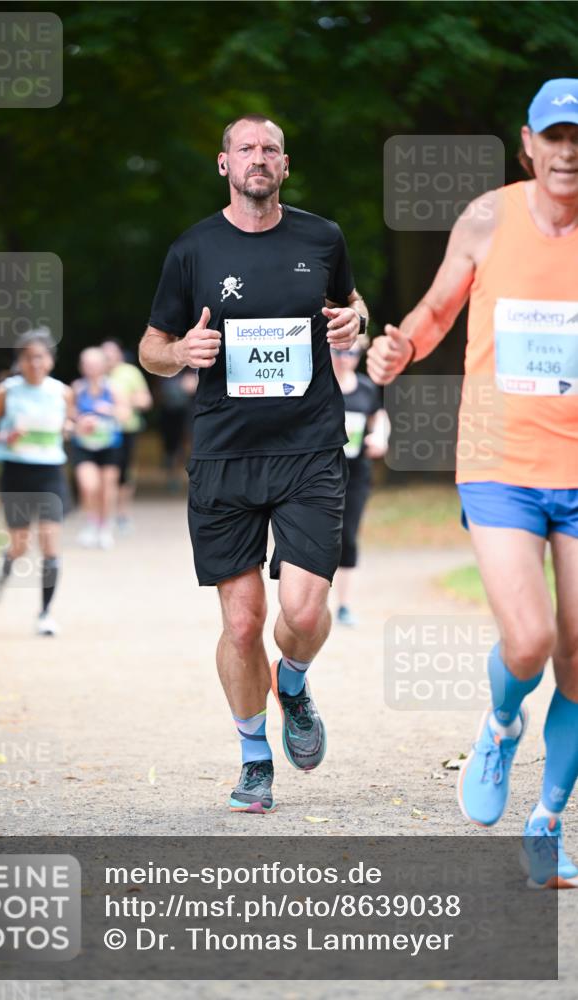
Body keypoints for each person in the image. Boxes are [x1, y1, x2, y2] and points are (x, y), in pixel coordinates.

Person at [368, 79, 578, 888]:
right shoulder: (488, 218)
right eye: (554, 137)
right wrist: (399, 350)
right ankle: (497, 727)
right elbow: (432, 311)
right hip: (498, 461)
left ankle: (547, 822)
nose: (566, 153)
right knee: (528, 640)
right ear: (527, 142)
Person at [139, 113, 367, 813]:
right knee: (240, 625)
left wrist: (355, 319)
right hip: (224, 452)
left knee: (300, 612)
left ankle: (291, 684)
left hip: (308, 449)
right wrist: (180, 354)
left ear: (284, 165)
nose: (257, 158)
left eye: (269, 149)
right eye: (245, 149)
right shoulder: (192, 250)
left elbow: (351, 305)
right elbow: (150, 344)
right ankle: (253, 757)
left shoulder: (321, 238)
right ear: (224, 164)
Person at [0, 329, 73, 636]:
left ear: (50, 361)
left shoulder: (62, 392)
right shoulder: (7, 390)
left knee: (49, 541)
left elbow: (69, 427)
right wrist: (5, 436)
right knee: (20, 544)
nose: (34, 363)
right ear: (20, 361)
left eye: (40, 357)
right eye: (28, 357)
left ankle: (44, 613)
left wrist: (70, 427)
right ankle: (6, 567)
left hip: (50, 473)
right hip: (16, 472)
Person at [331, 344, 390, 628]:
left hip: (355, 475)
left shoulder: (366, 388)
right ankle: (310, 603)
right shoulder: (319, 385)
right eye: (338, 352)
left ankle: (343, 605)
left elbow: (379, 416)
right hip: (317, 475)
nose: (345, 359)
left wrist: (380, 436)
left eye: (352, 353)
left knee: (348, 535)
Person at [71, 347, 127, 549]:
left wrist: (110, 410)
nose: (91, 368)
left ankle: (105, 528)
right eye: (86, 364)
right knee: (88, 485)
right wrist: (81, 420)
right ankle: (92, 522)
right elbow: (69, 415)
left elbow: (125, 415)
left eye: (95, 364)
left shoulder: (113, 388)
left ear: (103, 366)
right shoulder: (77, 388)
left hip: (110, 444)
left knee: (107, 488)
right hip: (84, 444)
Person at [101, 339, 153, 532]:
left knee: (124, 474)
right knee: (103, 474)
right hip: (100, 432)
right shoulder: (94, 372)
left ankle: (122, 514)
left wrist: (121, 403)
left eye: (111, 354)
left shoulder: (130, 372)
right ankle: (103, 516)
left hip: (126, 429)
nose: (107, 359)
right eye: (103, 355)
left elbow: (145, 400)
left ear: (119, 355)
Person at [155, 369, 197, 492]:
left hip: (188, 414)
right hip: (170, 415)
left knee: (186, 447)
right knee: (172, 449)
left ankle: (183, 477)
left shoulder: (193, 367)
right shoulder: (166, 366)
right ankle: (173, 477)